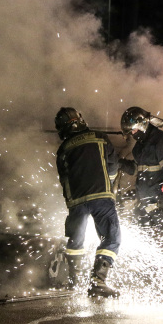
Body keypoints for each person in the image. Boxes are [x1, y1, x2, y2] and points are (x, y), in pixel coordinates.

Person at [54, 107, 122, 297]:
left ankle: (73, 281)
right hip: (101, 197)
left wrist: (71, 203)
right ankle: (98, 281)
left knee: (76, 241)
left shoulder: (63, 149)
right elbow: (113, 166)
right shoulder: (100, 137)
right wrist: (109, 185)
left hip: (76, 201)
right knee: (111, 238)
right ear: (80, 120)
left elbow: (64, 180)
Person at [118, 106, 163, 225]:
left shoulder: (162, 141)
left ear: (142, 124)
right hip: (145, 207)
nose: (132, 134)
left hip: (162, 206)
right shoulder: (140, 146)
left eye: (133, 130)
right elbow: (138, 169)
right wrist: (120, 163)